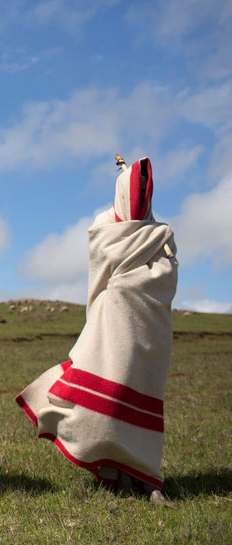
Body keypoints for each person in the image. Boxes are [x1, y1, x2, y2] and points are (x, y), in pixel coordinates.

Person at [16, 156, 177, 503]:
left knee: (141, 401)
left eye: (145, 193)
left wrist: (136, 285)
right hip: (112, 329)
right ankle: (115, 471)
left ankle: (147, 476)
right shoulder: (105, 225)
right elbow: (104, 274)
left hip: (150, 332)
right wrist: (127, 286)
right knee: (110, 398)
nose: (140, 199)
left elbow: (165, 278)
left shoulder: (161, 233)